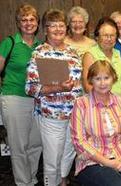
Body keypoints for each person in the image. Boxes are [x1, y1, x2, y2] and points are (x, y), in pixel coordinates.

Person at [71, 60, 121, 186]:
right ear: (91, 80)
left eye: (106, 78)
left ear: (113, 78)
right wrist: (108, 162)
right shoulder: (81, 104)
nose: (103, 83)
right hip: (94, 160)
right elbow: (79, 141)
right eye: (98, 78)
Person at [25, 9, 82, 186]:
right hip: (51, 116)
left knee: (69, 151)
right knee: (52, 158)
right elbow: (30, 88)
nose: (58, 29)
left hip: (74, 114)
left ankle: (62, 180)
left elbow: (79, 83)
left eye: (61, 25)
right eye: (52, 25)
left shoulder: (73, 53)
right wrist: (58, 87)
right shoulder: (39, 53)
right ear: (45, 30)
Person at [0, 4, 42, 186]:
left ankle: (31, 179)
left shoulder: (42, 47)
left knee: (36, 144)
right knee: (18, 146)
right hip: (14, 98)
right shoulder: (9, 43)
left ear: (37, 22)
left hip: (38, 101)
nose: (28, 23)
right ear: (18, 23)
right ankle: (23, 183)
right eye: (23, 20)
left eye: (31, 19)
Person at [83, 17, 121, 95]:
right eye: (105, 35)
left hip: (120, 103)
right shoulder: (90, 55)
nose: (109, 39)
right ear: (97, 37)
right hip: (100, 104)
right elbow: (88, 87)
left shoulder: (118, 53)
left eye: (112, 35)